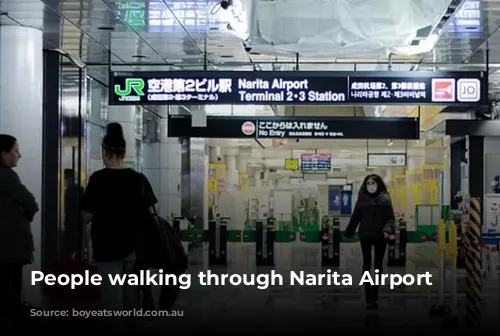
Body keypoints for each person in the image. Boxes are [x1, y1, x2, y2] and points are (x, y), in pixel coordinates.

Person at [80, 123, 157, 332]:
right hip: (134, 250)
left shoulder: (98, 180)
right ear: (123, 153)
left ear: (105, 153)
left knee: (111, 305)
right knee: (132, 303)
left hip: (106, 251)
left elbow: (86, 216)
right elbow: (150, 214)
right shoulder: (138, 179)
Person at [0, 134, 39, 320]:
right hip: (10, 249)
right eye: (15, 151)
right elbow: (30, 203)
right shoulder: (6, 175)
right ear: (3, 153)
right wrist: (25, 216)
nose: (19, 155)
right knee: (10, 296)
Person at [344, 174, 395, 310]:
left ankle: (375, 292)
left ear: (378, 184)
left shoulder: (385, 199)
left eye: (373, 182)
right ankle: (368, 295)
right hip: (365, 235)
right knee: (366, 264)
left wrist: (387, 231)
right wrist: (348, 232)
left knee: (378, 265)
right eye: (368, 183)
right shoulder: (362, 199)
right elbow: (355, 217)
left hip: (380, 236)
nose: (370, 185)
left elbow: (390, 218)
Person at [62, 168, 84, 256]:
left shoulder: (72, 190)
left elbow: (69, 208)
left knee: (70, 249)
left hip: (73, 224)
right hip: (77, 224)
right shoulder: (78, 189)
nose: (64, 180)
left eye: (65, 178)